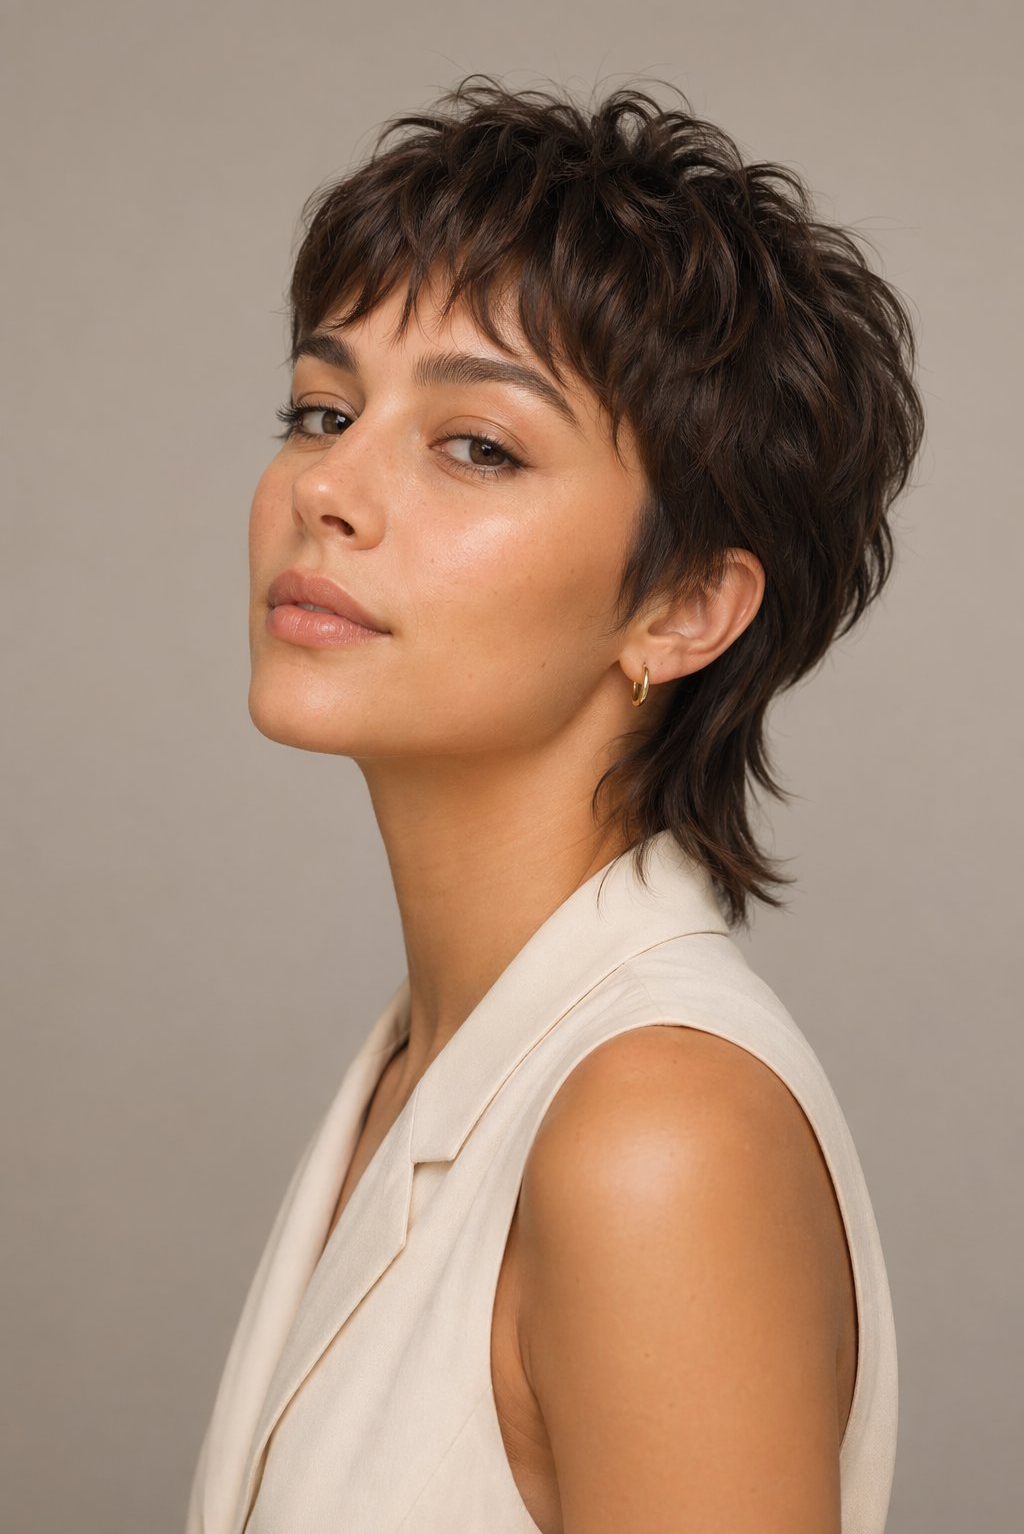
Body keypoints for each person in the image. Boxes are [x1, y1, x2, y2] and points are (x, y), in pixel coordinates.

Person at [185, 75, 924, 1534]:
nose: (329, 484)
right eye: (322, 406)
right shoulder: (434, 1060)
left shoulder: (655, 1131)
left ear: (686, 606)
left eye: (478, 445)